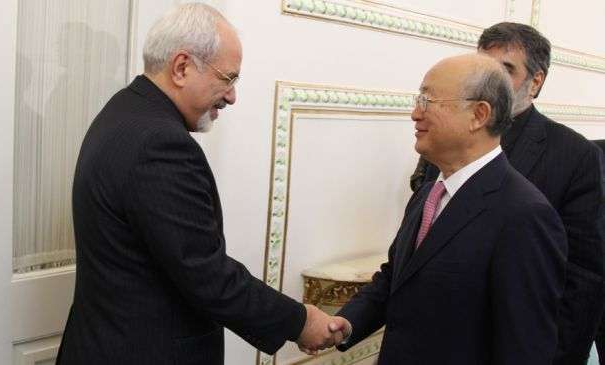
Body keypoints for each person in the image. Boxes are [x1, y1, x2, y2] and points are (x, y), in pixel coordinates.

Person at [56, 4, 349, 364]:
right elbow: (206, 274)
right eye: (228, 78)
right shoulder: (160, 144)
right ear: (181, 67)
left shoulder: (123, 111)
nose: (231, 96)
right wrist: (301, 321)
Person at [335, 53, 567, 364]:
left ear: (478, 115)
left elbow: (524, 348)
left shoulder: (524, 214)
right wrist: (344, 325)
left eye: (428, 101)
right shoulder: (430, 192)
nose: (415, 113)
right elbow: (397, 279)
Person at [410, 22, 605, 364]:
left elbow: (584, 278)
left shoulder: (575, 156)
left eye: (505, 70)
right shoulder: (448, 143)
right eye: (483, 67)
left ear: (536, 82)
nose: (490, 81)